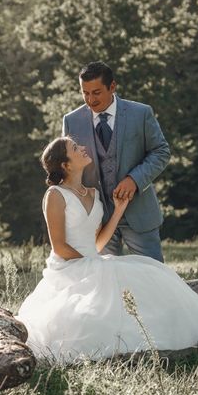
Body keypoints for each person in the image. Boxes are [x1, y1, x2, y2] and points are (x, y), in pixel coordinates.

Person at [16, 137, 198, 363]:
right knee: (90, 313)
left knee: (157, 276)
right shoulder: (55, 195)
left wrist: (120, 208)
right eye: (74, 149)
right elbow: (59, 247)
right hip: (68, 268)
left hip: (93, 261)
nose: (82, 148)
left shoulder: (93, 193)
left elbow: (98, 243)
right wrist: (93, 264)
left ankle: (184, 338)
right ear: (66, 165)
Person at [62, 61, 169, 262]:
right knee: (105, 281)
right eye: (85, 93)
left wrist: (135, 180)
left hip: (138, 212)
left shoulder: (141, 113)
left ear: (112, 87)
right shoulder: (71, 120)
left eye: (96, 92)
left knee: (154, 275)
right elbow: (69, 169)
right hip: (97, 218)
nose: (90, 100)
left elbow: (161, 151)